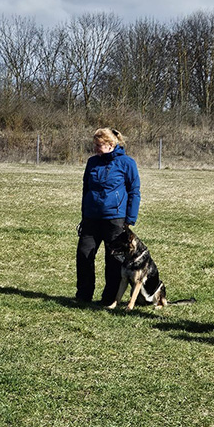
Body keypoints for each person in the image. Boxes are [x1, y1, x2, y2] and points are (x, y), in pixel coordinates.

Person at [77, 128, 141, 305]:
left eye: (99, 145)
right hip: (91, 218)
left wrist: (130, 218)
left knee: (113, 259)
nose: (95, 148)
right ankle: (83, 295)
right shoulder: (92, 162)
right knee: (84, 254)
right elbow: (86, 188)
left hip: (115, 218)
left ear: (111, 144)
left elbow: (134, 191)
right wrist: (84, 213)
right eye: (95, 145)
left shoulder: (127, 163)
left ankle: (109, 298)